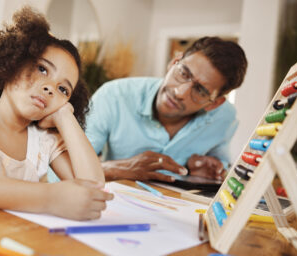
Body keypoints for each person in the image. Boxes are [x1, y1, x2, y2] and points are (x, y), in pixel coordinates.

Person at [0, 6, 113, 221]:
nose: (51, 87)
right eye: (42, 69)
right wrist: (49, 198)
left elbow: (93, 186)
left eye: (63, 89)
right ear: (12, 62)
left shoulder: (46, 141)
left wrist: (65, 117)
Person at [85, 37, 247, 182]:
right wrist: (116, 169)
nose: (179, 92)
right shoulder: (114, 95)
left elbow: (221, 166)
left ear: (214, 103)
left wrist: (209, 170)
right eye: (183, 73)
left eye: (200, 90)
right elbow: (68, 165)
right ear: (173, 62)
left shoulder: (224, 117)